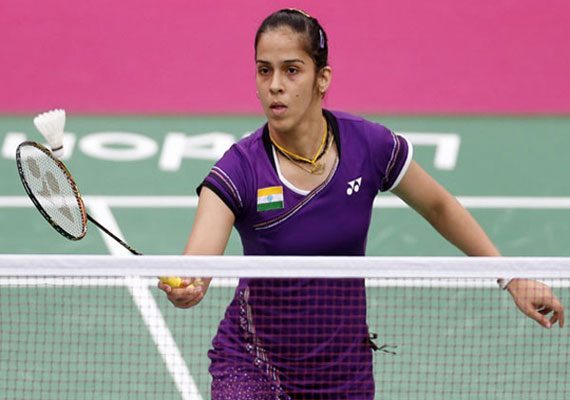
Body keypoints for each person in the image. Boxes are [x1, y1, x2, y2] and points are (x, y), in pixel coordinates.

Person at [158, 8, 565, 399]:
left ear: (322, 78)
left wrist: (511, 277)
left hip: (342, 374)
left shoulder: (367, 146)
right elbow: (200, 259)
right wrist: (191, 283)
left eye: (292, 70)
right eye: (264, 70)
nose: (275, 85)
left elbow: (439, 206)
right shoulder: (241, 168)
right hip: (255, 366)